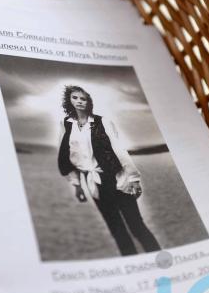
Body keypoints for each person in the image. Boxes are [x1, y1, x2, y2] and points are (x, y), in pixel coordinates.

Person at [57, 85, 161, 256]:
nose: (79, 101)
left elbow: (119, 151)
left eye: (83, 98)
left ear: (89, 102)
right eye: (75, 97)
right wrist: (77, 185)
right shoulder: (66, 124)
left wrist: (133, 179)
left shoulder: (102, 122)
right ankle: (132, 263)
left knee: (137, 226)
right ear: (68, 100)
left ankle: (160, 258)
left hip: (117, 178)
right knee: (116, 229)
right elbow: (67, 155)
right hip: (93, 183)